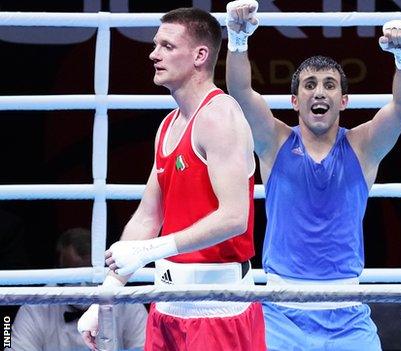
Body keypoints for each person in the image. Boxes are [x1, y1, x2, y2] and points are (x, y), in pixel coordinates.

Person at [225, 1, 401, 349]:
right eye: (310, 84)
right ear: (295, 101)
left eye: (329, 85)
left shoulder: (362, 147)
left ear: (343, 101)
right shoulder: (274, 142)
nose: (319, 91)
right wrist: (238, 38)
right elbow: (240, 93)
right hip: (282, 312)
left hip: (347, 313)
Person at [77, 7, 265, 351]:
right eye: (155, 44)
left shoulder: (220, 116)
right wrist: (106, 295)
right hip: (165, 305)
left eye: (167, 46)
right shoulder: (168, 125)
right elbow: (150, 215)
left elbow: (235, 217)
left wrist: (152, 249)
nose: (153, 53)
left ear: (200, 55)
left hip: (217, 309)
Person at [8, 227, 147, 351]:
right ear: (58, 269)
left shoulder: (127, 302)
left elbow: (144, 346)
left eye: (89, 279)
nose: (82, 288)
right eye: (73, 278)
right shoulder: (35, 305)